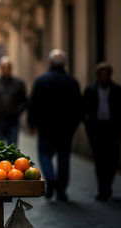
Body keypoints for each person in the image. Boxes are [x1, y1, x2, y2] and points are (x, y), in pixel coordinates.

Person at [26, 49, 81, 201]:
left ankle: (50, 178)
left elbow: (33, 103)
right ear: (64, 64)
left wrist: (31, 123)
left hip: (45, 127)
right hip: (66, 128)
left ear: (50, 63)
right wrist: (74, 126)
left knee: (44, 155)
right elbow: (78, 106)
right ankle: (61, 191)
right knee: (64, 158)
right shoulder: (72, 81)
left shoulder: (41, 80)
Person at [83, 62, 121, 201]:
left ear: (109, 75)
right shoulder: (90, 90)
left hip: (113, 129)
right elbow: (83, 109)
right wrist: (88, 123)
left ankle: (108, 184)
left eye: (104, 75)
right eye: (100, 75)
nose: (102, 78)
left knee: (112, 159)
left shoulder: (118, 90)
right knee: (99, 160)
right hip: (97, 129)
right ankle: (102, 189)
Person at [0, 56, 27, 146]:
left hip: (13, 122)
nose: (6, 70)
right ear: (0, 68)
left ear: (11, 69)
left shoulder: (18, 83)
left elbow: (24, 101)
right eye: (4, 68)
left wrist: (17, 111)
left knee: (12, 148)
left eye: (8, 68)